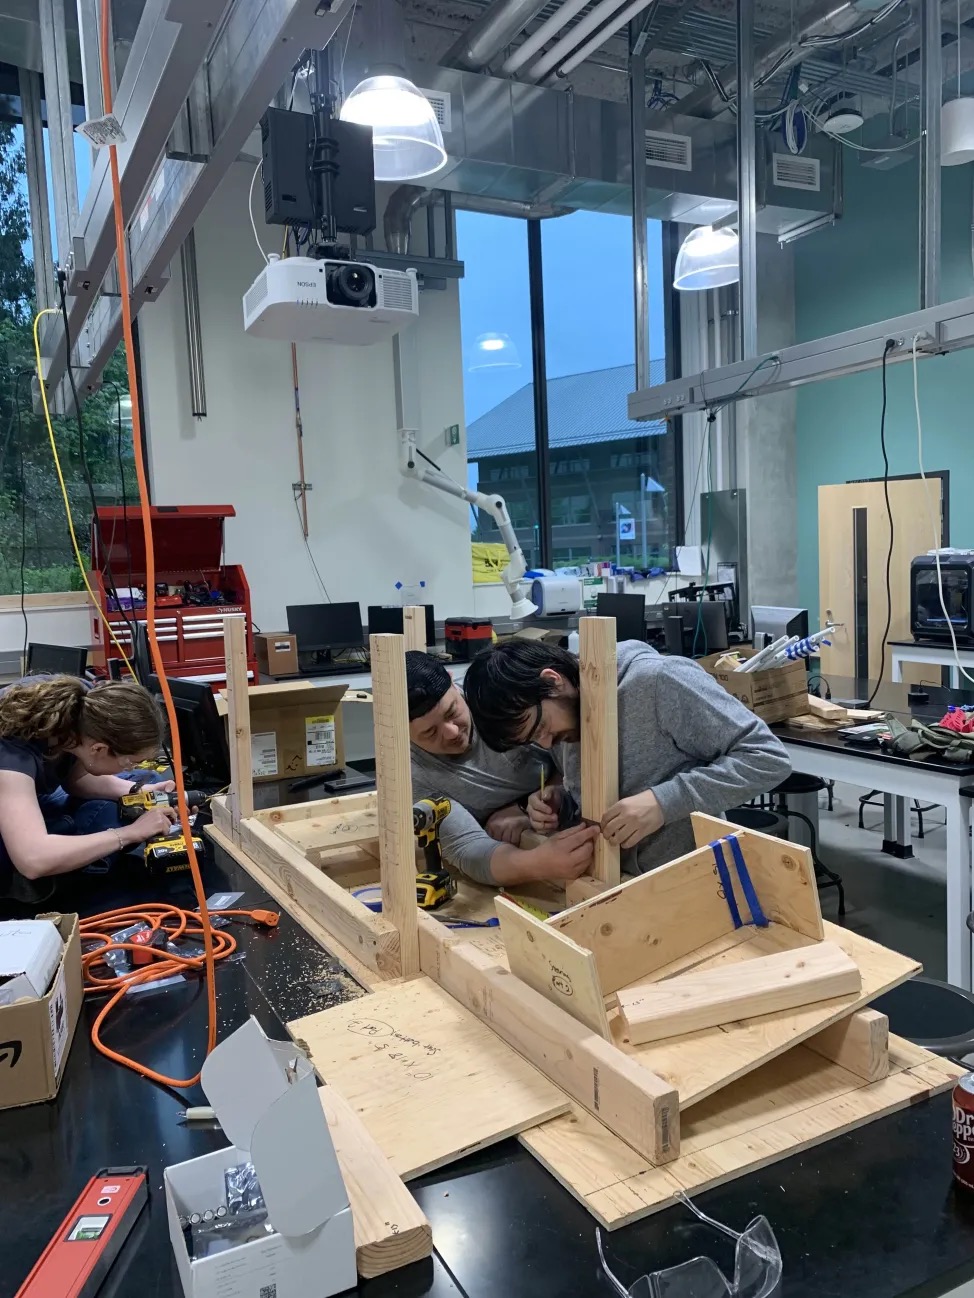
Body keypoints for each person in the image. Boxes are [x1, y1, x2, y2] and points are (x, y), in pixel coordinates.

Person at [462, 638, 791, 874]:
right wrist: (563, 803)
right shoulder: (569, 717)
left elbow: (767, 757)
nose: (547, 743)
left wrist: (662, 803)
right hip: (619, 884)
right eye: (533, 740)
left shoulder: (658, 682)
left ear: (553, 682)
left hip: (697, 879)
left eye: (541, 727)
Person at [407, 652, 598, 886]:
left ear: (452, 681)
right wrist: (537, 863)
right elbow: (468, 848)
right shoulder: (412, 773)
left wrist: (541, 798)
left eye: (452, 712)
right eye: (430, 733)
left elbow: (570, 737)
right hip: (545, 859)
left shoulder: (496, 700)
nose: (452, 732)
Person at [0, 675, 179, 909]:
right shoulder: (13, 752)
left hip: (25, 794)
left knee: (148, 782)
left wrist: (141, 791)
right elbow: (33, 859)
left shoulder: (86, 705)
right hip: (22, 840)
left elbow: (77, 780)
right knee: (91, 823)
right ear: (99, 748)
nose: (132, 768)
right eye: (130, 762)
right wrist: (130, 833)